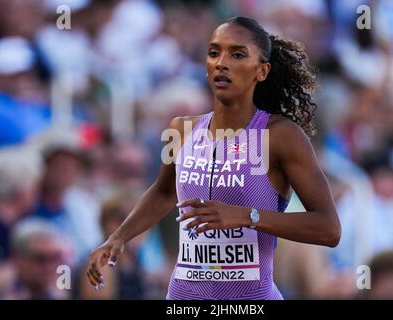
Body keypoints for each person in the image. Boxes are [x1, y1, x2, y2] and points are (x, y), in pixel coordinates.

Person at [87, 16, 341, 300]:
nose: (222, 62)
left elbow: (328, 229)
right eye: (214, 52)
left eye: (237, 54)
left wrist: (247, 216)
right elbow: (163, 192)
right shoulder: (181, 129)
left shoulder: (281, 136)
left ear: (262, 70)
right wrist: (118, 238)